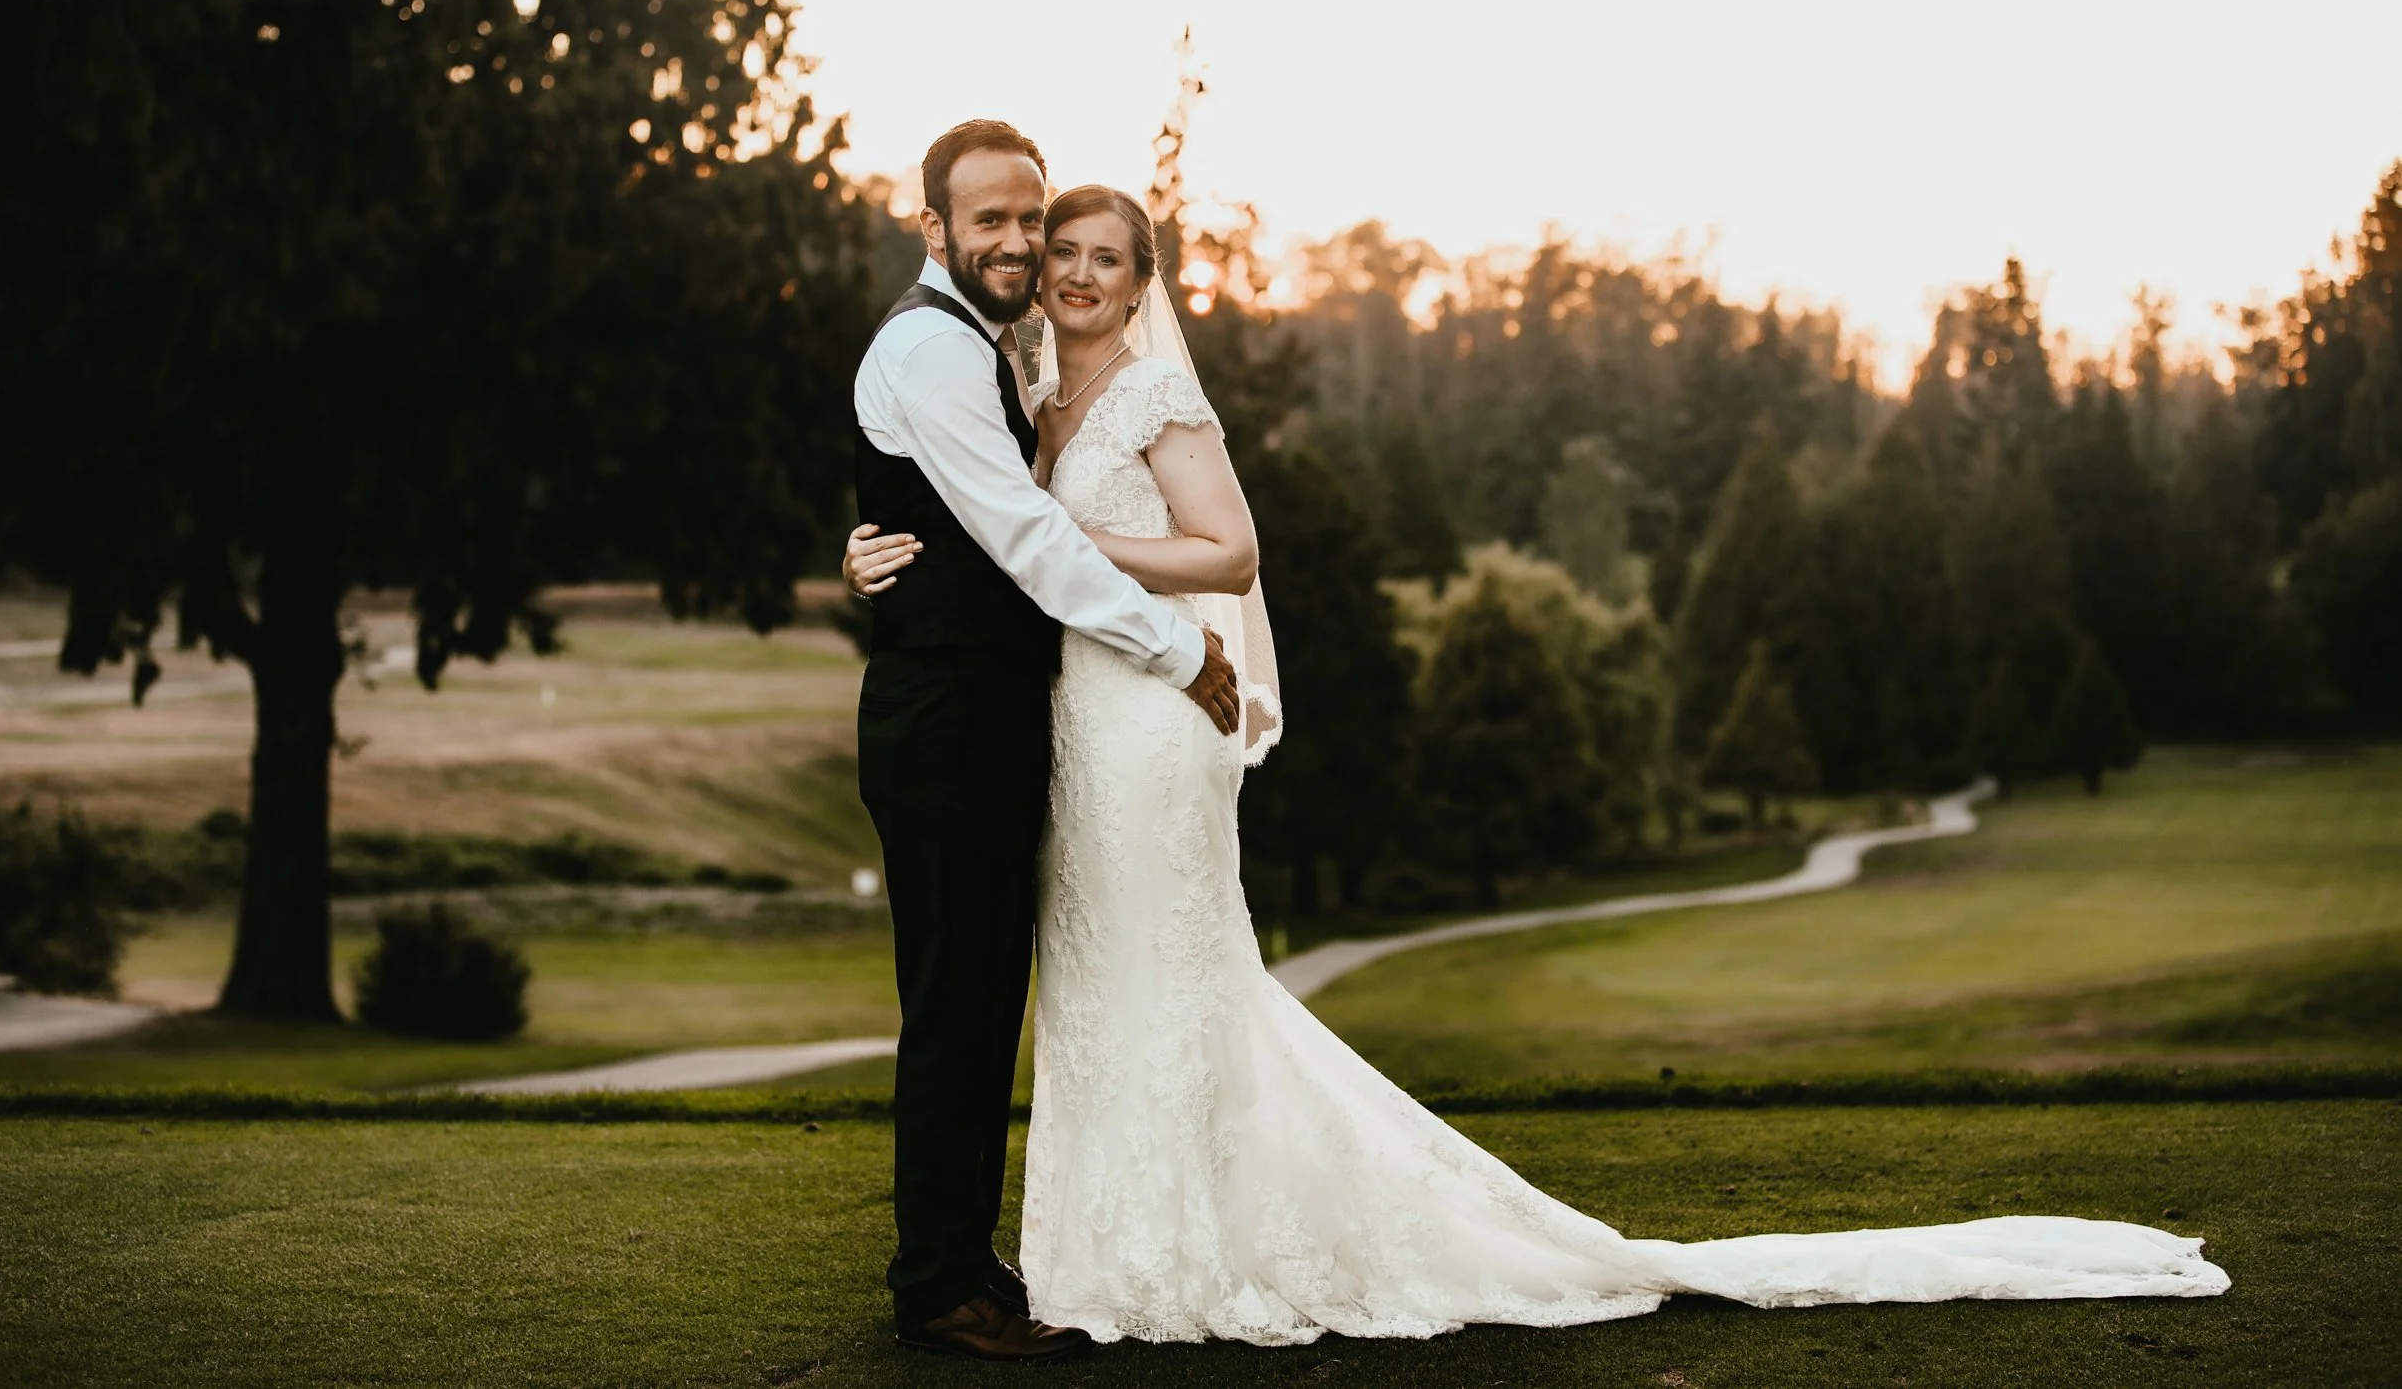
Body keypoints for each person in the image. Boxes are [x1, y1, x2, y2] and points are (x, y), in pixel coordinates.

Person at [844, 181, 2230, 1349]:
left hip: (1148, 721)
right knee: (1097, 975)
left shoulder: (1153, 392)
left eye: (1098, 256)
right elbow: (970, 513)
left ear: (1142, 280)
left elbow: (1232, 553)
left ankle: (1187, 1250)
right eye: (1053, 250)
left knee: (1171, 966)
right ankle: (1100, 1252)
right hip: (1075, 719)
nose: (1070, 272)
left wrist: (1096, 559)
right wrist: (866, 553)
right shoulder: (1023, 379)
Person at [848, 121, 1239, 1362]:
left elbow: (963, 513)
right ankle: (942, 1287)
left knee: (976, 993)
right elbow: (1021, 532)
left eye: (1039, 222)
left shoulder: (994, 352)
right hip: (951, 716)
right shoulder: (930, 343)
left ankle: (965, 1260)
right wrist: (1180, 647)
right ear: (936, 229)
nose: (1022, 246)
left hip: (1001, 711)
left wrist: (869, 548)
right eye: (998, 223)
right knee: (957, 1003)